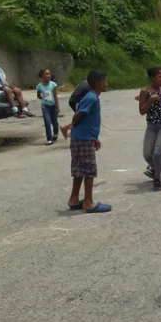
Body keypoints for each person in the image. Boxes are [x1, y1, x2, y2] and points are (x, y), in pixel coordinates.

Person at [67, 70, 111, 214]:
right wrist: (75, 125)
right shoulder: (91, 98)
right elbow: (79, 115)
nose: (107, 84)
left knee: (79, 169)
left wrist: (94, 137)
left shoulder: (91, 97)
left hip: (84, 137)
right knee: (89, 170)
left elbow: (88, 120)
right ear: (99, 83)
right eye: (105, 81)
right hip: (83, 139)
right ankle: (88, 202)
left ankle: (74, 199)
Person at [139, 67, 161, 191]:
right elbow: (142, 111)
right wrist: (150, 101)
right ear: (152, 78)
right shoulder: (145, 92)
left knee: (157, 152)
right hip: (152, 126)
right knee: (147, 154)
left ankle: (157, 179)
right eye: (160, 76)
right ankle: (155, 170)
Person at [36, 69, 60, 145]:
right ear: (42, 76)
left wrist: (57, 106)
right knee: (47, 122)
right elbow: (38, 95)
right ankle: (49, 139)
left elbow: (55, 96)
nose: (49, 75)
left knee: (54, 122)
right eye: (46, 74)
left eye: (49, 74)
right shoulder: (39, 86)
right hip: (45, 106)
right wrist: (43, 99)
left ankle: (55, 133)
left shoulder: (53, 84)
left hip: (53, 106)